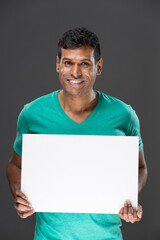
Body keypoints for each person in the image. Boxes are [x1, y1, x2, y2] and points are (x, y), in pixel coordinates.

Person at [7, 27, 148, 240]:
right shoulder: (32, 114)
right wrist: (20, 195)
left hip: (106, 236)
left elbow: (140, 167)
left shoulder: (124, 116)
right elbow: (15, 165)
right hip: (49, 236)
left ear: (98, 67)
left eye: (84, 63)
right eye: (68, 63)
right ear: (58, 65)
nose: (75, 72)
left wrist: (130, 197)